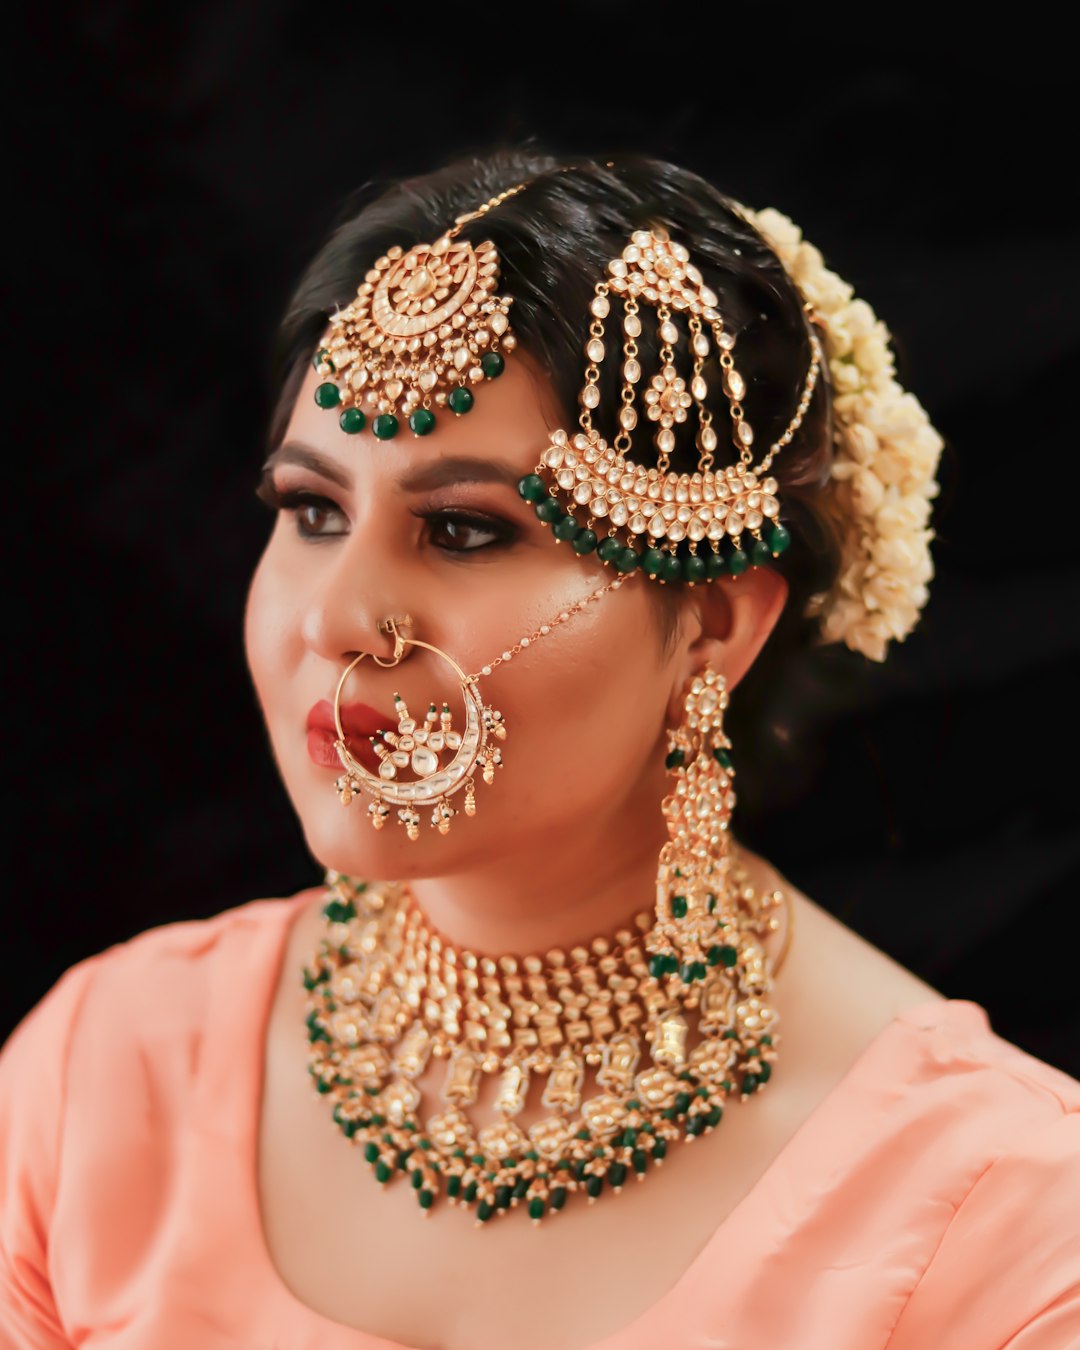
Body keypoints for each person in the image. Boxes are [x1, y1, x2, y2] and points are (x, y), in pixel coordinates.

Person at [1, 148, 1077, 1350]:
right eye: (312, 510)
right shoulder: (105, 1075)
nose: (334, 617)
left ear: (712, 622)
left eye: (461, 529)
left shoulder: (1001, 1223)